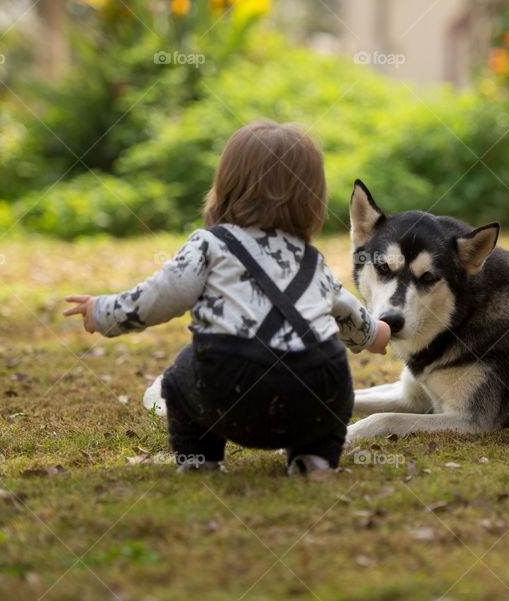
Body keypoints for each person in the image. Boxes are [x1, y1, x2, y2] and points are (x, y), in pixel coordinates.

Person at [63, 120, 390, 476]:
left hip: (230, 393)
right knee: (338, 377)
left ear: (225, 186)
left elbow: (163, 295)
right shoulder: (312, 261)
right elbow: (347, 313)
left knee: (177, 376)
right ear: (312, 198)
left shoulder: (210, 244)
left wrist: (104, 312)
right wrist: (376, 335)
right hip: (313, 395)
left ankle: (199, 459)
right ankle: (314, 457)